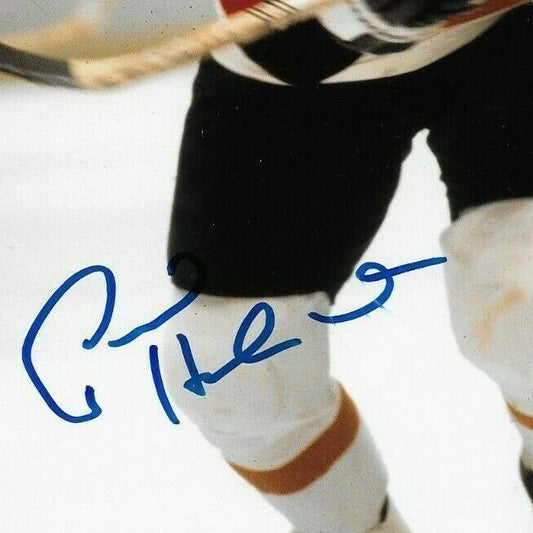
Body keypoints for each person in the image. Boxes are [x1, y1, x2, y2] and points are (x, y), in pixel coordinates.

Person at [160, 1, 533, 532]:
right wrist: (354, 20)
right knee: (233, 372)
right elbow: (294, 51)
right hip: (295, 58)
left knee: (525, 302)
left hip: (508, 29)